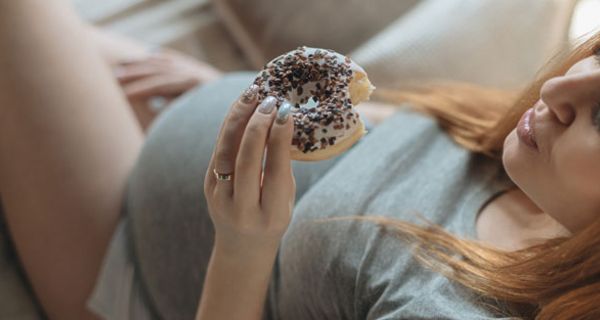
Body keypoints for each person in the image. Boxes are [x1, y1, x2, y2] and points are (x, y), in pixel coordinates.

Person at [1, 1, 599, 320]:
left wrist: (241, 245)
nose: (555, 91)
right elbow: (387, 139)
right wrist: (224, 94)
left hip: (124, 266)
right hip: (180, 117)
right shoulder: (532, 158)